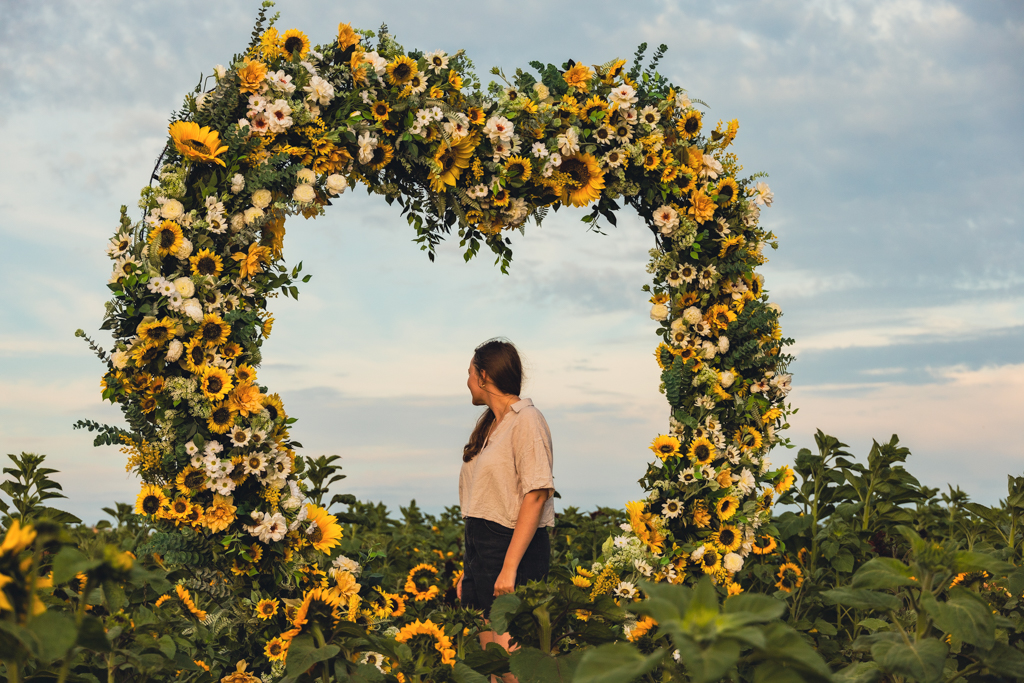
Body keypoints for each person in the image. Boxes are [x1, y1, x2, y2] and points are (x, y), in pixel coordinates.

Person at [457, 338, 554, 665]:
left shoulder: (527, 419)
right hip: (483, 550)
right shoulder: (492, 427)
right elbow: (483, 503)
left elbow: (537, 493)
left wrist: (509, 568)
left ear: (484, 376)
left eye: (470, 373)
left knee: (515, 668)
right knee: (492, 665)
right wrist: (468, 566)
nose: (467, 380)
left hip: (512, 549)